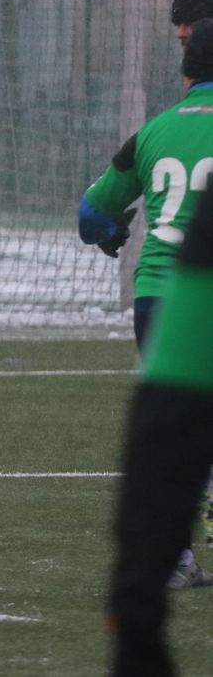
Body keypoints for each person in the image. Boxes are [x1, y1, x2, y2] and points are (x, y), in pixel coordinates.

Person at [79, 0, 213, 588]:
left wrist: (112, 231)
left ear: (187, 72)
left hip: (160, 296)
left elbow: (91, 214)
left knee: (175, 430)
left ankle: (176, 562)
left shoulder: (153, 131)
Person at [106, 184, 213, 676]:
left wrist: (136, 607)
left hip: (161, 292)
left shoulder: (150, 142)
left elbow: (169, 423)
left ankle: (181, 560)